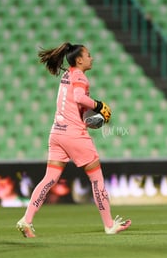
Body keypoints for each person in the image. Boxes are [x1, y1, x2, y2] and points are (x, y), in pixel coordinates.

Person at [16, 42, 131, 237]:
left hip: (57, 133)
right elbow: (79, 97)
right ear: (79, 59)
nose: (91, 58)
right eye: (88, 55)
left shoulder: (66, 75)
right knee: (97, 179)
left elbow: (74, 105)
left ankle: (26, 220)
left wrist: (93, 119)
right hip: (73, 135)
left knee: (49, 179)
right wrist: (99, 105)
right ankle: (109, 224)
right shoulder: (80, 76)